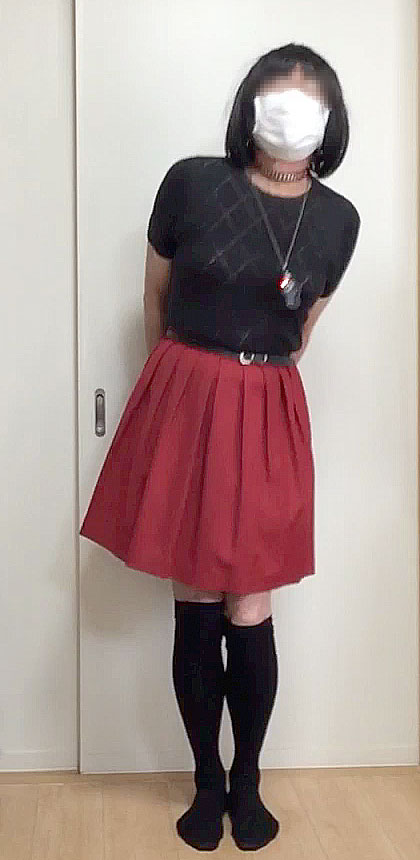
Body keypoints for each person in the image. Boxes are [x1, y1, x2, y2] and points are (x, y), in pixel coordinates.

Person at [80, 42, 360, 852]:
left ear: (331, 120)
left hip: (267, 406)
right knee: (198, 598)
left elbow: (301, 331)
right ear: (249, 104)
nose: (293, 109)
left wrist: (248, 383)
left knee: (252, 602)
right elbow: (155, 297)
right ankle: (207, 779)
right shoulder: (191, 183)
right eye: (278, 92)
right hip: (184, 395)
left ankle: (248, 782)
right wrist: (176, 395)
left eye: (311, 98)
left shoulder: (339, 220)